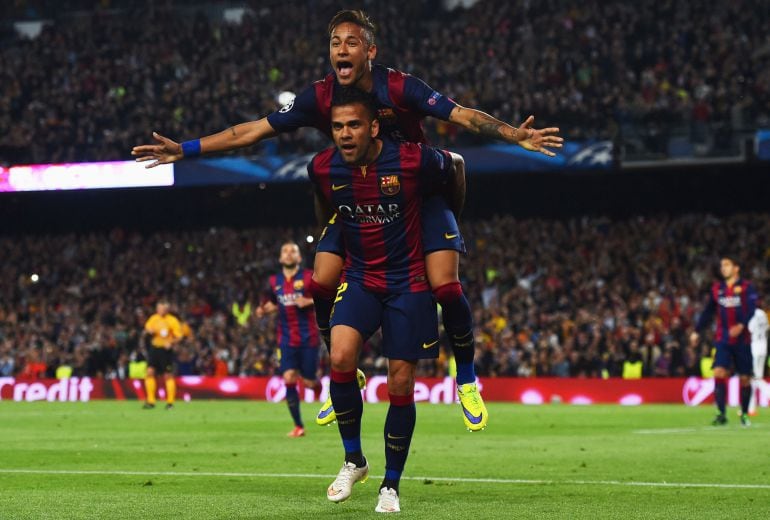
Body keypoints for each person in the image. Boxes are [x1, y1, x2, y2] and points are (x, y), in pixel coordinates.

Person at [131, 9, 563, 431]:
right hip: (358, 195)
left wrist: (514, 134)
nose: (342, 49)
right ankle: (347, 371)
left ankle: (466, 379)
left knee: (446, 287)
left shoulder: (398, 86)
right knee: (319, 282)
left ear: (370, 52)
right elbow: (250, 131)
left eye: (351, 42)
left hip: (415, 196)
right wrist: (184, 150)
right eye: (335, 43)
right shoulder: (319, 97)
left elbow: (463, 114)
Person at [308, 86, 462, 513]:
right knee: (340, 358)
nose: (345, 133)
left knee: (399, 382)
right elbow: (324, 206)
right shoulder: (322, 167)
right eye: (337, 126)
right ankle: (353, 459)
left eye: (354, 124)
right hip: (360, 277)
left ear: (374, 126)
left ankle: (390, 485)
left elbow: (455, 171)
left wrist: (452, 225)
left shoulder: (413, 160)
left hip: (408, 280)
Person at [255, 241, 325, 437]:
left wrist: (309, 301)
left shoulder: (309, 277)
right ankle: (298, 426)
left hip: (308, 337)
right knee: (289, 377)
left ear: (299, 258)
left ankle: (319, 390)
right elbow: (268, 302)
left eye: (292, 251)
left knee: (309, 382)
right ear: (280, 258)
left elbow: (326, 297)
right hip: (285, 339)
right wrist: (263, 309)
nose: (288, 254)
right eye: (284, 251)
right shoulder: (273, 281)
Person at [691, 256, 758, 426]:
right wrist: (697, 331)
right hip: (723, 339)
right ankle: (721, 413)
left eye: (727, 265)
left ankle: (743, 414)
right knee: (719, 372)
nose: (723, 268)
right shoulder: (717, 289)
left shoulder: (746, 287)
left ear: (736, 268)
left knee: (744, 378)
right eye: (722, 265)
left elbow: (751, 309)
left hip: (743, 340)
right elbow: (707, 312)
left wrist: (742, 325)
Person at [143, 300, 182, 410]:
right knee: (150, 372)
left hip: (165, 351)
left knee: (168, 375)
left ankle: (170, 403)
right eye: (159, 308)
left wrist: (171, 342)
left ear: (167, 309)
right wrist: (149, 330)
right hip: (154, 348)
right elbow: (147, 327)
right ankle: (151, 401)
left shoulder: (172, 320)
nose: (161, 310)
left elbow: (179, 336)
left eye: (163, 309)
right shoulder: (154, 318)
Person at [747, 304, 769, 415]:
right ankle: (751, 408)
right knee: (755, 379)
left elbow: (749, 329)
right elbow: (767, 328)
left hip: (754, 348)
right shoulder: (763, 314)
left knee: (756, 379)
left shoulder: (750, 314)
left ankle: (750, 408)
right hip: (763, 348)